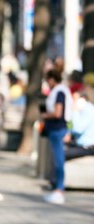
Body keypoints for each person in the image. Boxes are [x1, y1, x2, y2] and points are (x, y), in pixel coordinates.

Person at [41, 69, 72, 205]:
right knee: (56, 159)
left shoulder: (59, 92)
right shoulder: (61, 91)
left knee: (58, 160)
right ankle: (57, 187)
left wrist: (45, 115)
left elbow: (58, 112)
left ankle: (59, 188)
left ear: (52, 79)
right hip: (57, 129)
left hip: (57, 128)